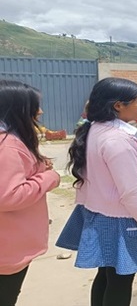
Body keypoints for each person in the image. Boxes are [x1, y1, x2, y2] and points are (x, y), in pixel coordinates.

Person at [56, 77, 137, 306]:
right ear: (118, 105)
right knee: (120, 280)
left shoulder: (96, 130)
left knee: (107, 274)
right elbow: (131, 191)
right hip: (124, 218)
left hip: (102, 214)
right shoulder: (118, 140)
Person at [0, 80, 61, 306]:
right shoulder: (7, 146)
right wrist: (49, 178)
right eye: (36, 106)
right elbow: (9, 196)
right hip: (7, 250)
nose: (40, 111)